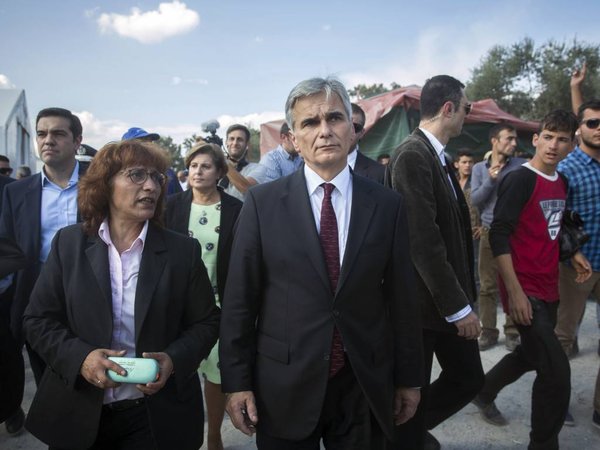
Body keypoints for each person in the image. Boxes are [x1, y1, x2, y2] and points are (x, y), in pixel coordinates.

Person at [219, 77, 423, 449]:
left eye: (335, 118)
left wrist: (410, 377)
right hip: (283, 383)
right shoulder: (262, 205)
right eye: (310, 123)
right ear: (294, 139)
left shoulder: (387, 205)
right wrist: (236, 382)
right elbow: (239, 302)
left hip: (363, 382)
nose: (324, 131)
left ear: (353, 130)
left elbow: (403, 298)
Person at [22, 139, 221, 450]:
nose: (152, 186)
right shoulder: (69, 244)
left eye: (157, 177)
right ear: (105, 184)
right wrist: (81, 358)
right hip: (80, 412)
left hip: (154, 418)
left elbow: (207, 322)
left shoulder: (182, 251)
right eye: (137, 175)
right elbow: (37, 320)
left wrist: (172, 360)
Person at [472, 110, 592, 450]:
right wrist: (515, 293)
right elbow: (499, 234)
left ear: (572, 144)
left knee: (529, 355)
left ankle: (483, 391)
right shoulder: (520, 179)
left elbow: (549, 229)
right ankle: (543, 443)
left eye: (563, 139)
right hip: (524, 289)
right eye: (548, 136)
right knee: (556, 372)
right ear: (536, 139)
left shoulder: (562, 182)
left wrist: (572, 254)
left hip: (548, 284)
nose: (554, 145)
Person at [387, 74, 484, 450]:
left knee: (468, 379)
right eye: (466, 108)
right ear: (448, 108)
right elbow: (422, 240)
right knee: (411, 395)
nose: (467, 115)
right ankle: (402, 437)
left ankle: (401, 436)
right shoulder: (412, 155)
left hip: (441, 304)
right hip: (423, 307)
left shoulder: (434, 156)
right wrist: (458, 308)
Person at [0, 107, 84, 435]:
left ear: (77, 141)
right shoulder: (16, 192)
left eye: (58, 133)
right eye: (42, 133)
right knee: (52, 384)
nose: (48, 140)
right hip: (38, 305)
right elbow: (8, 250)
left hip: (94, 300)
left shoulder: (100, 184)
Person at [165, 142, 243, 450]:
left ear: (220, 172)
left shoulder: (235, 210)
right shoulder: (171, 205)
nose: (198, 171)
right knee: (179, 372)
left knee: (216, 375)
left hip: (219, 304)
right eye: (193, 166)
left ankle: (213, 435)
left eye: (206, 166)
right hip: (179, 305)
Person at [552, 100, 600, 428]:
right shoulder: (567, 168)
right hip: (577, 267)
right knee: (562, 339)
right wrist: (570, 253)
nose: (599, 128)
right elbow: (554, 217)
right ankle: (555, 403)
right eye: (593, 123)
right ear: (579, 129)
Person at [471, 124, 525, 351]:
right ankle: (489, 332)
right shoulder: (479, 169)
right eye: (509, 139)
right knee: (487, 286)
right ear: (494, 140)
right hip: (488, 232)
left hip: (514, 233)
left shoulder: (521, 167)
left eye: (515, 140)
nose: (514, 143)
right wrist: (491, 180)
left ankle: (512, 331)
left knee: (512, 282)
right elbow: (475, 199)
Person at [122, 126, 183, 196]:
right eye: (142, 142)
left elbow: (181, 200)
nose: (148, 146)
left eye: (150, 142)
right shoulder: (118, 175)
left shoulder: (168, 173)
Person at [454, 150, 482, 291]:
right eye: (464, 162)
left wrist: (482, 226)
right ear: (456, 164)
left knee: (476, 272)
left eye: (470, 162)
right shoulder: (452, 182)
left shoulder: (476, 182)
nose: (467, 165)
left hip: (474, 232)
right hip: (456, 233)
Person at [219, 124, 268, 201]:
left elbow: (247, 189)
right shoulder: (216, 167)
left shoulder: (258, 168)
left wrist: (224, 161)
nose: (235, 143)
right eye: (231, 139)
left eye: (240, 139)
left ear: (247, 144)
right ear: (226, 142)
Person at [348, 103, 385, 184]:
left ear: (362, 133)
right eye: (346, 125)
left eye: (355, 127)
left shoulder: (379, 173)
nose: (349, 132)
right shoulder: (316, 168)